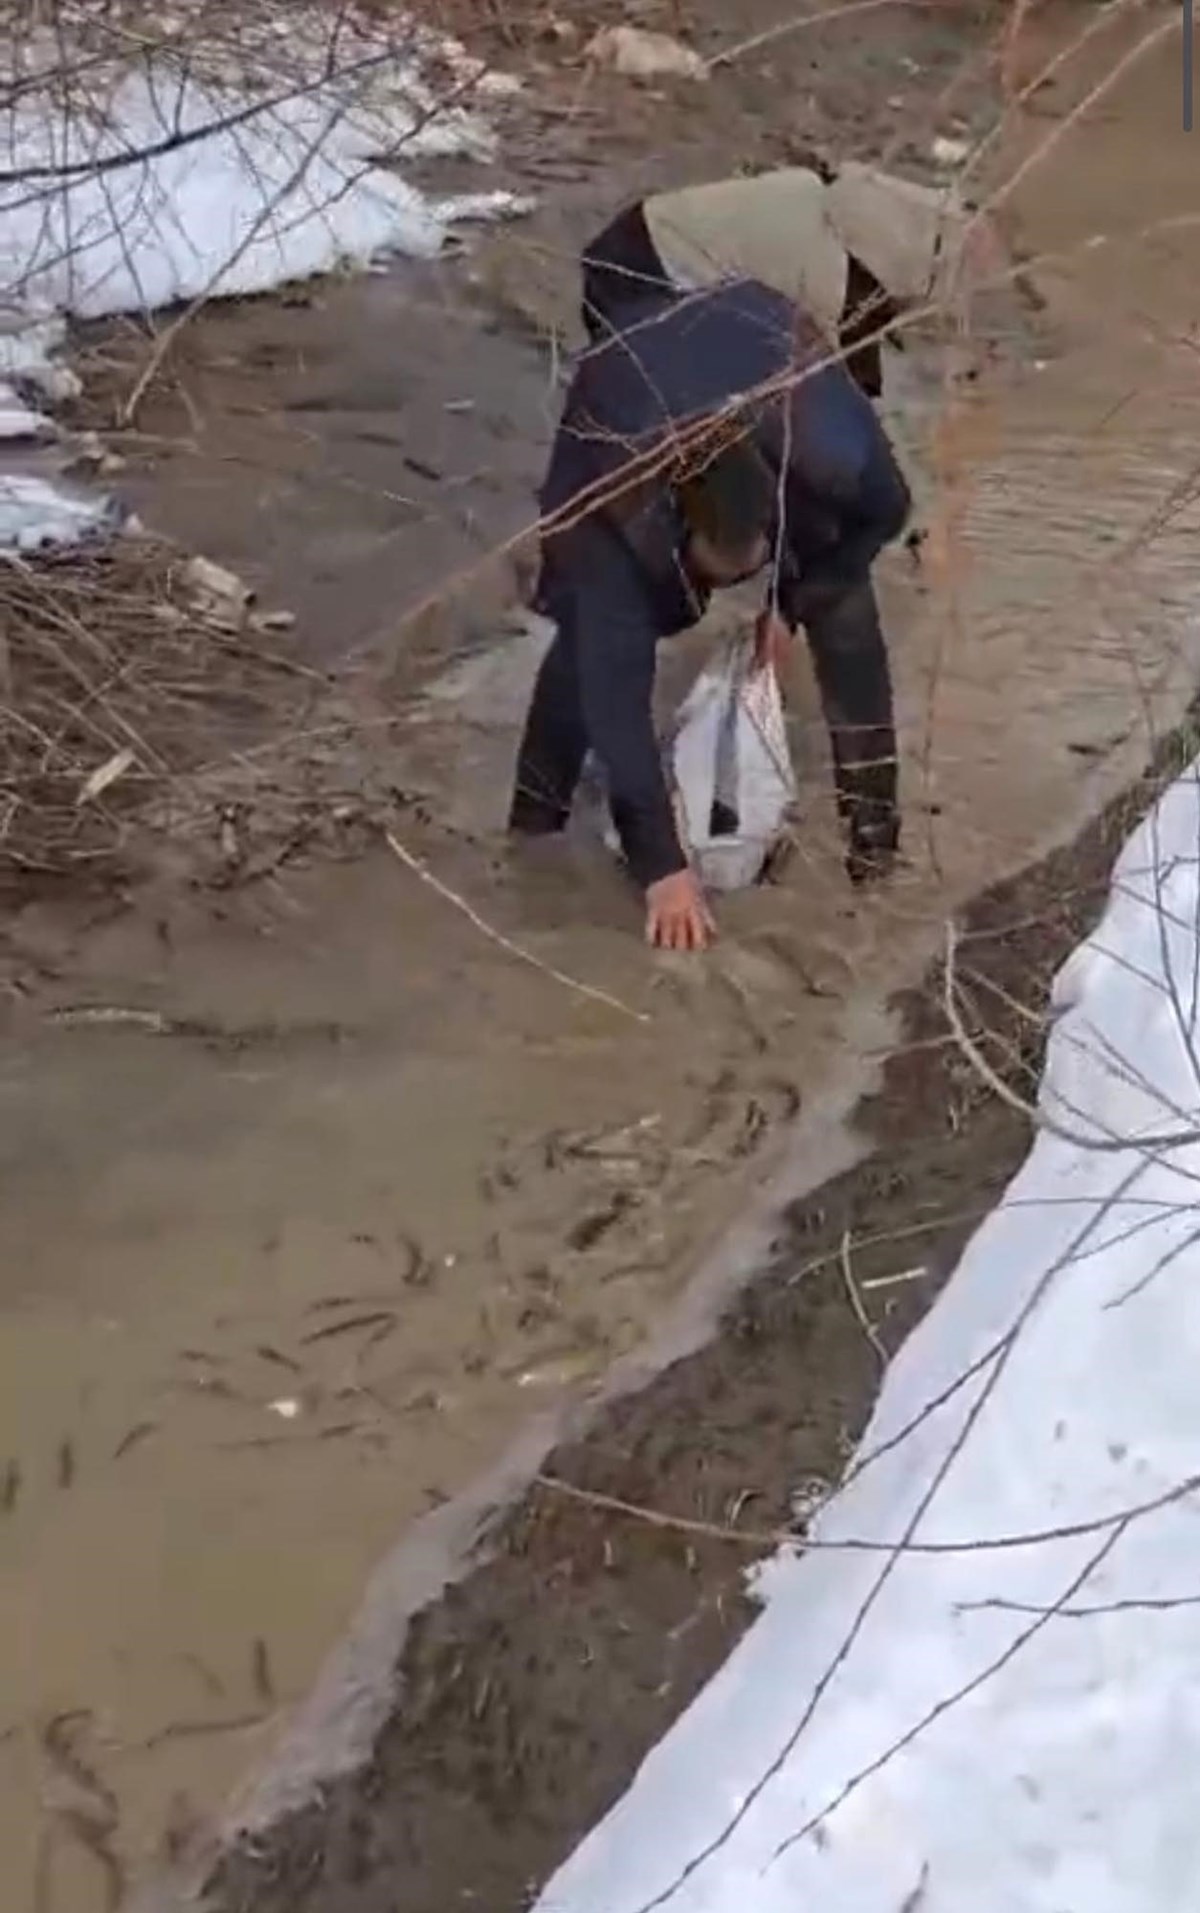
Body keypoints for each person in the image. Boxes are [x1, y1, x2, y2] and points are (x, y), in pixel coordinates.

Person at [507, 276, 911, 952]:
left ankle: (876, 847)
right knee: (590, 635)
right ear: (675, 530)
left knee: (843, 611)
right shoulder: (612, 509)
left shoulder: (827, 450)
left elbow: (887, 513)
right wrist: (662, 867)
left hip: (762, 337)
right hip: (625, 384)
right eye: (712, 573)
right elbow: (619, 700)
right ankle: (533, 823)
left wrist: (791, 602)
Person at [579, 158, 985, 398]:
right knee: (667, 415)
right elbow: (836, 382)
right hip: (643, 274)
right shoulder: (825, 280)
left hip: (631, 235)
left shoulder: (815, 191)